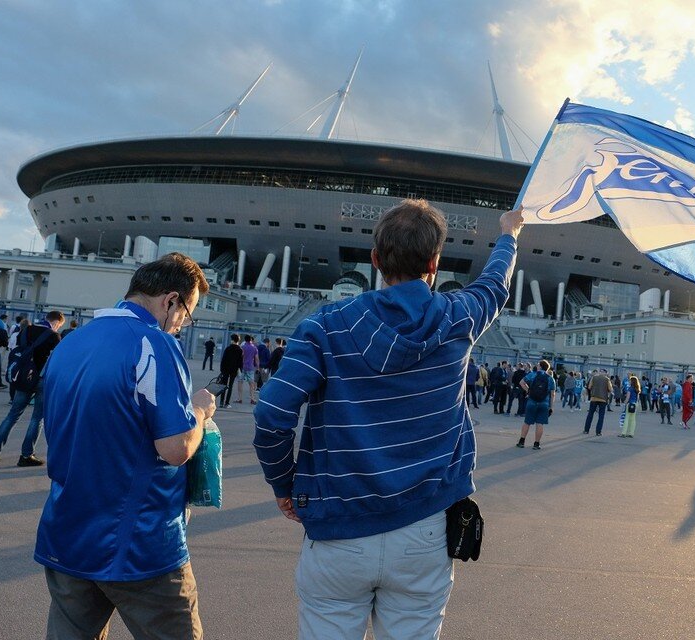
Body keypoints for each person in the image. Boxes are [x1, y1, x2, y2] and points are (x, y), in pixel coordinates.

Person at [253, 201, 522, 639]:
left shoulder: (325, 326)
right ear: (434, 264)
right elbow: (495, 285)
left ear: (375, 259)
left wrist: (285, 485)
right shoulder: (458, 318)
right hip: (424, 529)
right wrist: (509, 234)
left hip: (339, 527)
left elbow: (273, 413)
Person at [35, 252, 214, 638]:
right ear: (170, 300)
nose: (181, 325)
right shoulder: (153, 344)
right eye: (186, 313)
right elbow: (175, 448)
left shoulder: (70, 343)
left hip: (66, 531)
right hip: (138, 543)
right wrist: (199, 413)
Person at [0, 311, 66, 465]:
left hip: (23, 378)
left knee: (12, 415)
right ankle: (26, 455)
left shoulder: (26, 330)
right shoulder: (54, 336)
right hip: (42, 380)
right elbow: (57, 361)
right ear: (57, 322)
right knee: (37, 418)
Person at [519, 359, 556, 450]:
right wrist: (551, 407)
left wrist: (528, 391)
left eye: (538, 365)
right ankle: (536, 444)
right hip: (544, 403)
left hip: (532, 401)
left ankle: (522, 441)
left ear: (540, 367)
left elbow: (521, 382)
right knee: (540, 423)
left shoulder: (533, 374)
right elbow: (552, 394)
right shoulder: (550, 378)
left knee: (527, 422)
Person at [584, 368, 611, 435]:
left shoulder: (594, 378)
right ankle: (598, 432)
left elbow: (589, 387)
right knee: (601, 416)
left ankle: (586, 430)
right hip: (603, 399)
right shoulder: (607, 379)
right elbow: (610, 389)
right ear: (605, 373)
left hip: (594, 398)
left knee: (590, 414)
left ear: (599, 372)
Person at [219, 333, 243, 408]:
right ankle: (227, 403)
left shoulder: (228, 348)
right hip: (234, 370)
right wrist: (240, 369)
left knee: (223, 386)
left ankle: (221, 402)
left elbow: (223, 360)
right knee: (230, 386)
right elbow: (240, 362)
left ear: (232, 340)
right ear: (238, 340)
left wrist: (222, 370)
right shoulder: (240, 350)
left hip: (225, 369)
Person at [237, 334, 258, 404]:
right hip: (250, 367)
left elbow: (240, 357)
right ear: (251, 340)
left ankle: (240, 398)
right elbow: (256, 358)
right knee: (251, 384)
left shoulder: (242, 347)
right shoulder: (254, 348)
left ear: (245, 340)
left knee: (240, 382)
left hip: (242, 367)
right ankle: (252, 398)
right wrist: (257, 367)